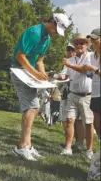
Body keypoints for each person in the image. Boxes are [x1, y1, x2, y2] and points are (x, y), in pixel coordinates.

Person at [11, 13, 71, 161]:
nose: (57, 33)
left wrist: (43, 75)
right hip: (19, 70)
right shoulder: (34, 32)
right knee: (32, 108)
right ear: (52, 22)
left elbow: (40, 59)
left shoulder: (47, 38)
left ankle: (28, 145)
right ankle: (21, 147)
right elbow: (20, 56)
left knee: (33, 108)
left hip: (30, 73)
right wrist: (36, 74)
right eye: (56, 29)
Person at [59, 33, 94, 159]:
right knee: (69, 120)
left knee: (89, 123)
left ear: (87, 44)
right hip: (72, 94)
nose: (79, 45)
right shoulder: (71, 60)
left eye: (82, 43)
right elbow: (65, 75)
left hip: (87, 95)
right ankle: (68, 147)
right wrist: (57, 76)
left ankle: (89, 150)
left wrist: (70, 65)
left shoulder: (91, 57)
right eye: (77, 43)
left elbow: (85, 69)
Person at [58, 44, 85, 147]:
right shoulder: (66, 62)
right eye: (68, 49)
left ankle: (79, 142)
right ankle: (69, 142)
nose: (70, 52)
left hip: (79, 91)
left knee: (79, 120)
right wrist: (56, 75)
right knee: (67, 118)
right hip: (67, 92)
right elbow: (63, 75)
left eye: (72, 50)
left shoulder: (82, 60)